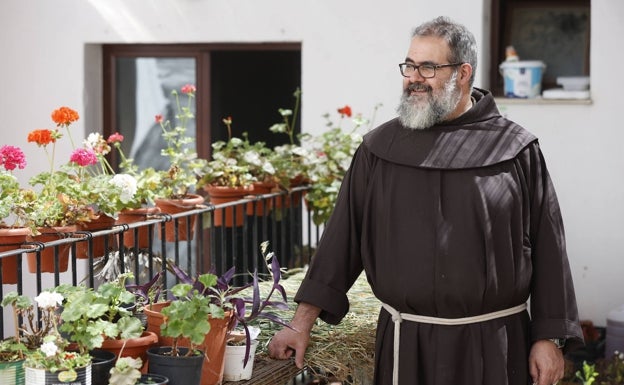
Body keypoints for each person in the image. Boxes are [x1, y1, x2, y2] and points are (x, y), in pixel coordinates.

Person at [268, 16, 584, 385]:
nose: (414, 77)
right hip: (407, 346)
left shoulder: (514, 150)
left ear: (463, 73)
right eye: (409, 65)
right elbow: (341, 241)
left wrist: (548, 338)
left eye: (428, 67)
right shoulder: (379, 150)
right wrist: (300, 323)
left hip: (495, 348)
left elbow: (550, 249)